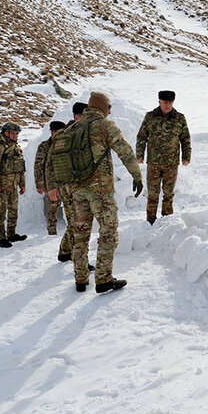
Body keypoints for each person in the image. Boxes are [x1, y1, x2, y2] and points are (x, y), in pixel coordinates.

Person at [46, 91, 143, 294]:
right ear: (103, 107)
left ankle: (80, 280)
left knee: (80, 235)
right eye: (109, 108)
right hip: (100, 191)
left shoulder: (73, 128)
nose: (109, 112)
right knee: (108, 232)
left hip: (76, 191)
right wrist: (137, 176)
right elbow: (124, 150)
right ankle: (103, 278)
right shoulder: (104, 125)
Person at [135, 90, 192, 224]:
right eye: (165, 102)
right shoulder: (150, 117)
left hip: (171, 163)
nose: (168, 105)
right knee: (153, 194)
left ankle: (167, 221)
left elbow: (185, 139)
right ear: (159, 102)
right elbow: (142, 137)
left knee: (168, 194)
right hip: (154, 163)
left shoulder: (179, 118)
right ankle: (150, 222)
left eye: (170, 102)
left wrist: (186, 156)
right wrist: (139, 154)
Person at [0, 123, 27, 248]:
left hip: (13, 185)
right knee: (1, 212)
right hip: (2, 186)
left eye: (16, 133)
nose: (15, 136)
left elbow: (20, 169)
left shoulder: (16, 147)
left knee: (13, 211)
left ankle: (11, 234)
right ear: (6, 133)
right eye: (13, 133)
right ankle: (2, 238)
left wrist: (22, 184)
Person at [55, 102, 87, 262]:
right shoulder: (65, 135)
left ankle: (64, 251)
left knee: (75, 222)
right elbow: (50, 162)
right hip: (67, 186)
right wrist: (51, 186)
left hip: (78, 185)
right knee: (77, 222)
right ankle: (79, 260)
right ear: (77, 116)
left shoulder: (83, 132)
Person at [35, 121, 67, 235]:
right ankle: (51, 230)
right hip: (49, 181)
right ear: (52, 132)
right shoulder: (44, 146)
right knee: (52, 207)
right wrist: (39, 183)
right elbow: (38, 165)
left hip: (64, 180)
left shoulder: (65, 144)